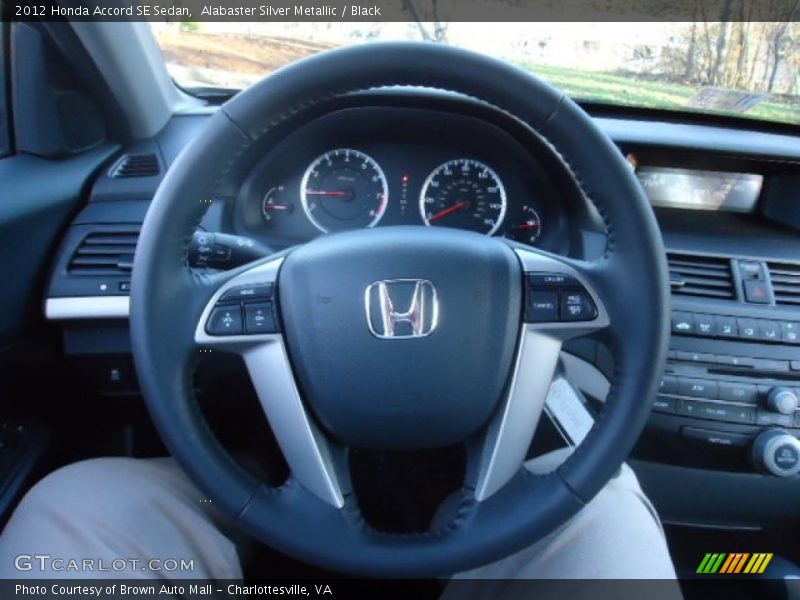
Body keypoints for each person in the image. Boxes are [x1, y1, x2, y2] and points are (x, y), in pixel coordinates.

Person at [0, 449, 677, 582]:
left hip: (247, 490)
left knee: (79, 509)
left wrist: (248, 476)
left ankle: (252, 472)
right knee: (597, 499)